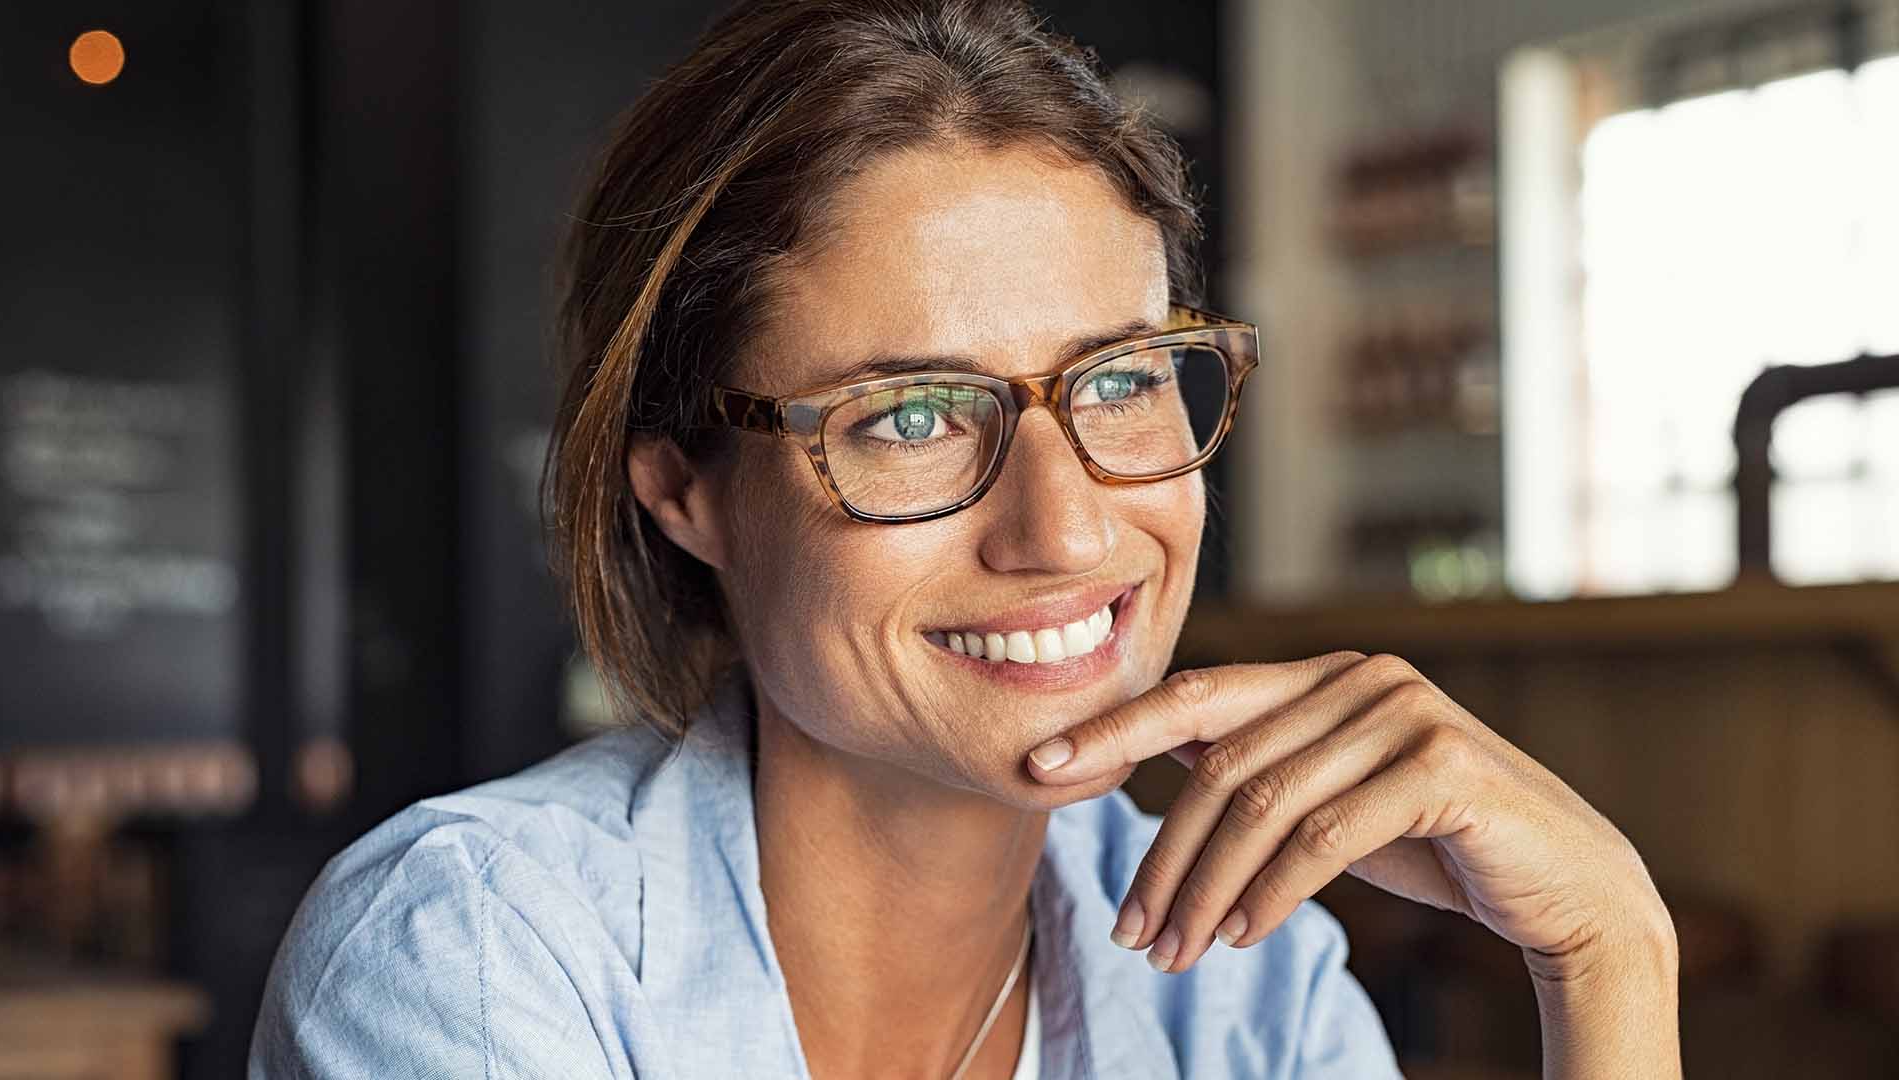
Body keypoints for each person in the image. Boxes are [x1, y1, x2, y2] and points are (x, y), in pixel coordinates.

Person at [249, 1, 1682, 1076]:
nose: (1063, 529)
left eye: (1120, 382)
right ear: (684, 486)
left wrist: (1611, 957)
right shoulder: (480, 953)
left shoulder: (1253, 998)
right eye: (914, 417)